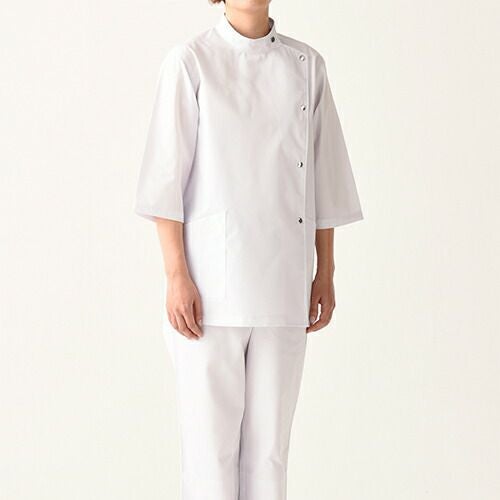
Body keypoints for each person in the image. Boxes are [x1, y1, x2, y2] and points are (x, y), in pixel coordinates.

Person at [134, 1, 363, 498]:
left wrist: (325, 272)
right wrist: (176, 275)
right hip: (209, 294)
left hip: (284, 288)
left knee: (269, 456)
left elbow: (325, 178)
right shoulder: (190, 61)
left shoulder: (308, 66)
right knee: (209, 456)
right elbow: (165, 181)